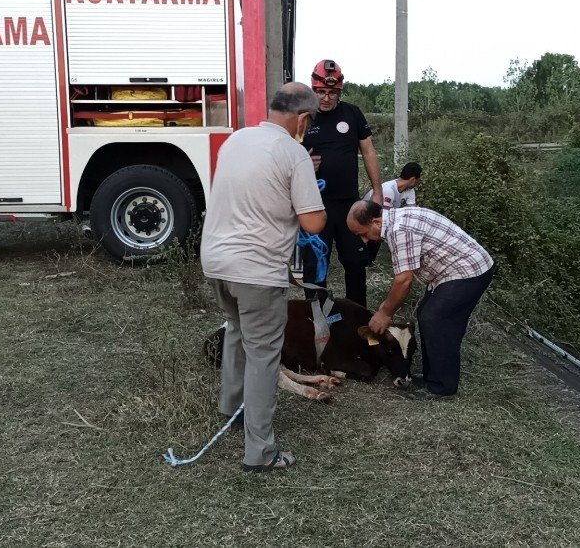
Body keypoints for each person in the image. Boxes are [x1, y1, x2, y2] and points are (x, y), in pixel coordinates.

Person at [200, 83, 326, 472]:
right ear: (303, 119)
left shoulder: (236, 141)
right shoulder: (294, 153)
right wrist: (306, 178)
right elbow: (313, 222)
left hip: (217, 263)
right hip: (257, 271)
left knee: (236, 331)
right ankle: (260, 451)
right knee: (264, 356)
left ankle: (231, 410)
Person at [346, 200, 494, 397]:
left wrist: (385, 313)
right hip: (451, 272)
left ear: (376, 221)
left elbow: (404, 280)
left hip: (468, 271)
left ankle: (442, 388)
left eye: (363, 234)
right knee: (426, 314)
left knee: (435, 319)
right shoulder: (397, 220)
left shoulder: (399, 230)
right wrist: (387, 306)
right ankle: (432, 376)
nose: (364, 240)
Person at [302, 59, 383, 307]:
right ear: (313, 90)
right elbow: (288, 156)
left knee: (356, 263)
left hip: (349, 205)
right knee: (315, 265)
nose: (326, 98)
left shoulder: (352, 113)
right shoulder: (303, 118)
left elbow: (368, 152)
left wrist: (377, 192)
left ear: (339, 91)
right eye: (321, 92)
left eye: (332, 93)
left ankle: (357, 319)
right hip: (315, 206)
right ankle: (316, 321)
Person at [363, 162, 422, 264]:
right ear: (413, 179)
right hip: (367, 213)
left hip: (383, 214)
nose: (417, 182)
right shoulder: (388, 189)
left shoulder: (410, 191)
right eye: (417, 180)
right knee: (379, 228)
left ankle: (369, 260)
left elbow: (412, 212)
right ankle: (364, 258)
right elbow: (384, 215)